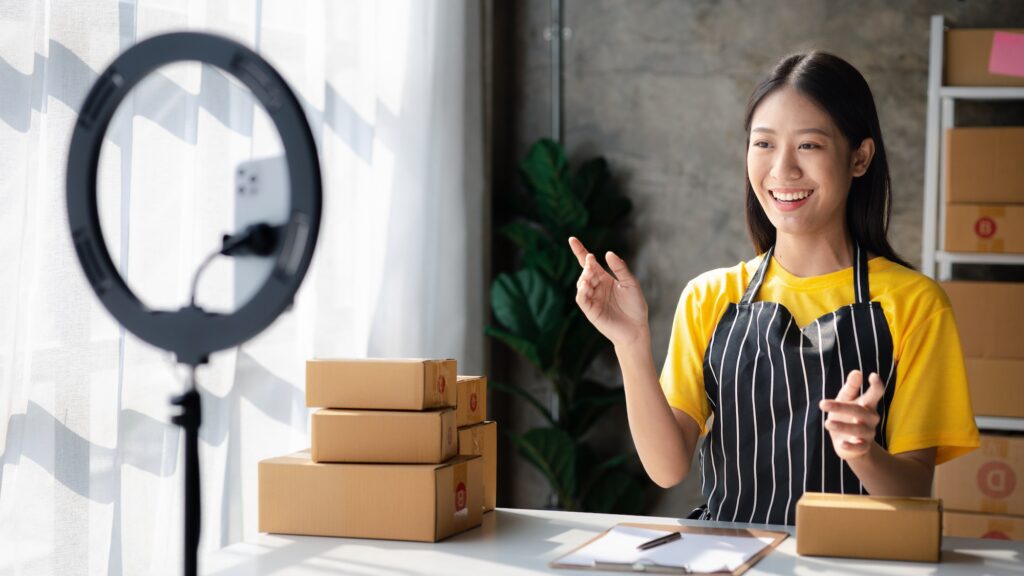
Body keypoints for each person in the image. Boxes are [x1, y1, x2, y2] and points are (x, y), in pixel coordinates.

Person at [568, 51, 979, 526]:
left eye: (809, 146)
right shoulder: (708, 296)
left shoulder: (915, 304)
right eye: (763, 144)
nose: (782, 170)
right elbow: (667, 468)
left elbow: (912, 494)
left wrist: (862, 452)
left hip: (849, 564)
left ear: (860, 157)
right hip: (731, 558)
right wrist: (631, 343)